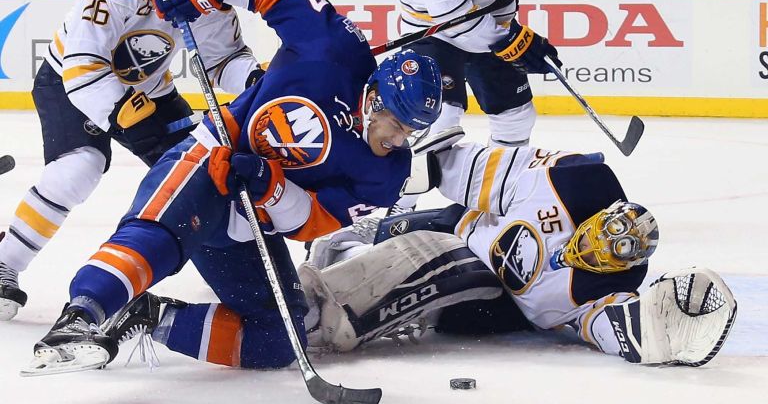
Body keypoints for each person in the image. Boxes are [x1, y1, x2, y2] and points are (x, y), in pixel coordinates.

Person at [23, 0, 443, 375]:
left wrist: (270, 187)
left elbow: (315, 221)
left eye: (411, 131)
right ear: (373, 99)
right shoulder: (332, 45)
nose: (399, 140)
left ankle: (152, 316)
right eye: (397, 124)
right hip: (211, 157)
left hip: (249, 221)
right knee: (160, 237)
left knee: (279, 337)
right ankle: (79, 318)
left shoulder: (387, 173)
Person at [297, 140, 737, 366]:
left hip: (490, 302)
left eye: (605, 252)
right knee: (352, 236)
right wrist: (426, 166)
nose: (590, 247)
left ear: (621, 266)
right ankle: (313, 274)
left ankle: (319, 317)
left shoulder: (605, 292)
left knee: (439, 260)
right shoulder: (573, 183)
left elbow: (627, 330)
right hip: (460, 223)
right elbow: (486, 171)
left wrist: (666, 328)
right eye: (597, 232)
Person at [0, 0, 263, 321]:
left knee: (201, 178)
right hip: (70, 80)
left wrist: (256, 80)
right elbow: (82, 66)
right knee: (79, 167)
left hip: (150, 91)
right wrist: (130, 120)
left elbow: (222, 59)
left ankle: (235, 277)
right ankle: (6, 261)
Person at [388, 0, 563, 216]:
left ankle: (493, 196)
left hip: (485, 25)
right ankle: (399, 208)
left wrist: (518, 40)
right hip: (432, 31)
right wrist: (510, 42)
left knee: (516, 117)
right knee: (439, 120)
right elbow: (450, 16)